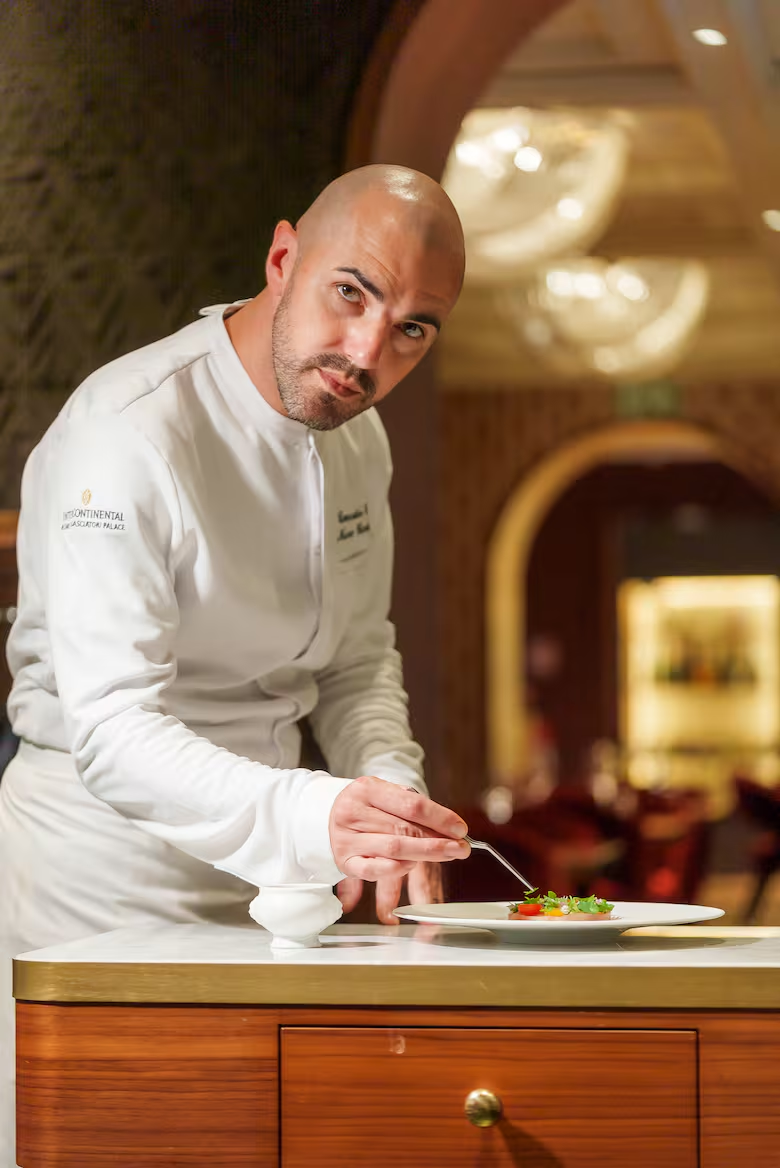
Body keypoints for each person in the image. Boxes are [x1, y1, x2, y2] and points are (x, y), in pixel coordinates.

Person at [0, 164, 469, 1166]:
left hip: (283, 892)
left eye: (413, 330)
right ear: (283, 256)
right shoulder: (126, 431)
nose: (367, 352)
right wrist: (315, 814)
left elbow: (355, 660)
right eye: (352, 293)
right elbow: (112, 729)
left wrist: (389, 792)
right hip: (103, 887)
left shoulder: (359, 441)